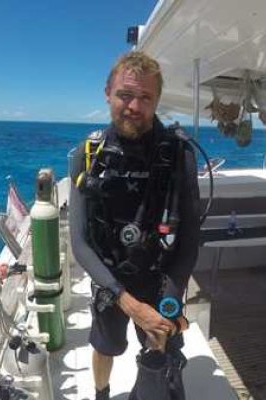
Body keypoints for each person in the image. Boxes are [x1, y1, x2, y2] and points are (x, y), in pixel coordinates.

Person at [69, 51, 200, 400]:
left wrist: (169, 303)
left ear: (157, 100)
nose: (134, 106)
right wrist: (126, 301)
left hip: (160, 278)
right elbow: (79, 242)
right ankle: (102, 394)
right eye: (125, 95)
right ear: (107, 93)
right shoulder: (88, 153)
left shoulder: (180, 154)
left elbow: (189, 239)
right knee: (105, 346)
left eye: (145, 97)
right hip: (109, 278)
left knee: (160, 351)